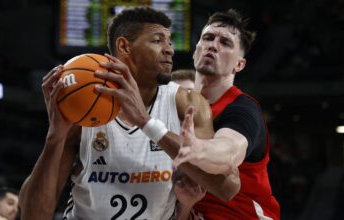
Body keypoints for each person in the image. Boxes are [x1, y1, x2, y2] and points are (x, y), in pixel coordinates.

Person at [19, 6, 240, 220]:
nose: (170, 49)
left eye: (169, 42)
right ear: (124, 46)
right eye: (157, 40)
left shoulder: (187, 103)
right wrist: (54, 138)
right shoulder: (84, 103)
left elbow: (227, 187)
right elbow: (33, 216)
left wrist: (146, 122)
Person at [173, 9, 280, 219]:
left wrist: (198, 148)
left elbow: (229, 151)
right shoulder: (177, 104)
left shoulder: (243, 109)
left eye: (225, 43)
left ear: (239, 65)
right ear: (196, 52)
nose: (213, 45)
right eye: (208, 38)